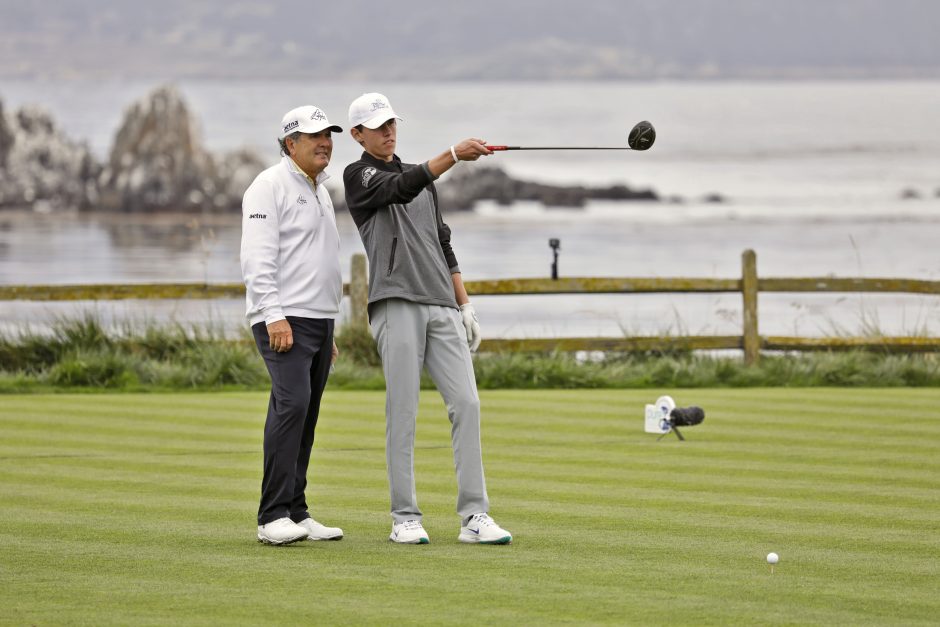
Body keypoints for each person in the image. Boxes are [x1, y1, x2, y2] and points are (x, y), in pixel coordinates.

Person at [343, 92, 512, 545]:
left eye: (392, 123)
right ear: (357, 134)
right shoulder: (358, 175)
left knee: (468, 404)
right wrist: (454, 155)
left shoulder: (423, 178)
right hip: (396, 301)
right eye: (378, 126)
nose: (388, 132)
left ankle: (475, 516)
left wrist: (465, 303)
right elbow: (398, 187)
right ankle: (405, 516)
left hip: (441, 305)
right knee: (404, 410)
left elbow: (443, 242)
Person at [240, 105, 345, 545]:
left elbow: (316, 261)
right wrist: (272, 313)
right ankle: (271, 516)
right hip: (284, 318)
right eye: (314, 136)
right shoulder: (268, 186)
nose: (325, 142)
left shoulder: (319, 189)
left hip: (318, 320)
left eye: (328, 135)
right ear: (290, 144)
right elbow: (257, 257)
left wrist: (329, 329)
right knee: (292, 407)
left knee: (306, 414)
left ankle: (297, 512)